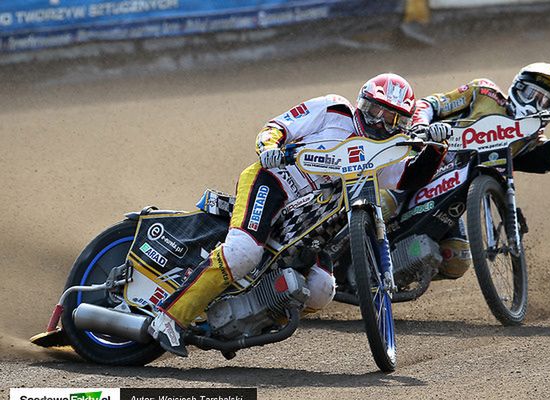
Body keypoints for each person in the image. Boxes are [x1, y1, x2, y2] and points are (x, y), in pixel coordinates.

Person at [148, 73, 453, 356]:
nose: (378, 120)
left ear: (402, 123)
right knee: (243, 252)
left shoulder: (386, 150)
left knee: (322, 290)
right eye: (374, 109)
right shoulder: (334, 109)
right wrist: (269, 147)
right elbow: (279, 127)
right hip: (274, 182)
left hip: (308, 226)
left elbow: (409, 179)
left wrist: (437, 146)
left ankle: (243, 321)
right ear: (362, 102)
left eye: (390, 117)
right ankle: (169, 317)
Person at [402, 62, 550, 280]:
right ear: (517, 87)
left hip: (448, 199)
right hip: (418, 163)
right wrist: (422, 126)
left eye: (544, 102)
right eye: (531, 94)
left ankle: (397, 271)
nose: (535, 104)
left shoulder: (529, 136)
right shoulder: (483, 92)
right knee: (387, 201)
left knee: (457, 259)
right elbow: (432, 104)